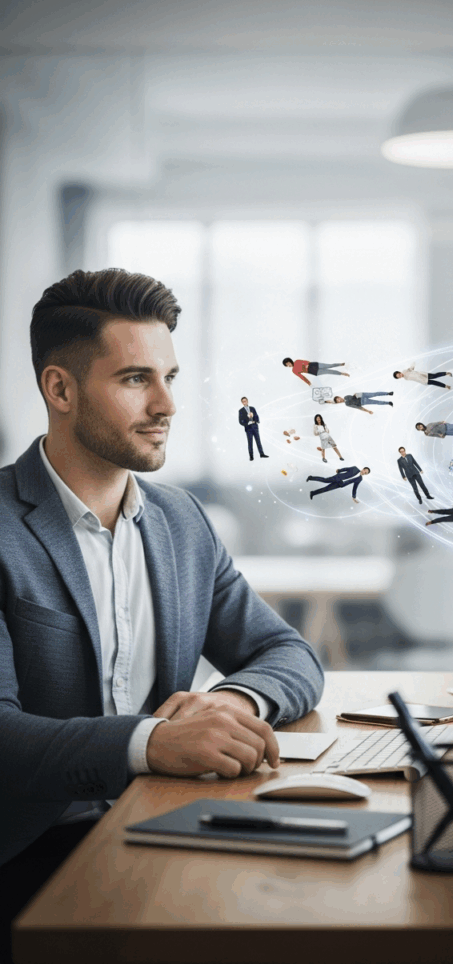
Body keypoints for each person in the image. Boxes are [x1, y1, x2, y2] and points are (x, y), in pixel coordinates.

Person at [0, 269, 324, 956]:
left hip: (166, 822)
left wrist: (233, 703)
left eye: (170, 377)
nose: (167, 404)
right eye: (135, 379)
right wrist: (152, 743)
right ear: (59, 389)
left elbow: (288, 654)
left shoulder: (180, 521)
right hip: (29, 851)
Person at [238, 396, 269, 461]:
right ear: (242, 403)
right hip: (248, 428)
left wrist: (255, 421)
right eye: (243, 401)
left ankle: (262, 454)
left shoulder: (252, 408)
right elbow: (240, 421)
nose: (244, 402)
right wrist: (247, 421)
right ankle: (251, 456)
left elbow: (257, 416)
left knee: (258, 441)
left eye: (245, 401)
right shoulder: (240, 411)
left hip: (255, 427)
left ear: (247, 401)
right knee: (250, 443)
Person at [282, 357, 349, 386]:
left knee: (329, 366)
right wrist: (308, 383)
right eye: (287, 365)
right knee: (329, 371)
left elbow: (305, 361)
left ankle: (340, 364)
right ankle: (342, 373)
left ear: (290, 361)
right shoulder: (294, 371)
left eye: (288, 363)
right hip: (313, 372)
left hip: (314, 365)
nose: (288, 365)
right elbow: (302, 377)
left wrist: (307, 365)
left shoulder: (297, 361)